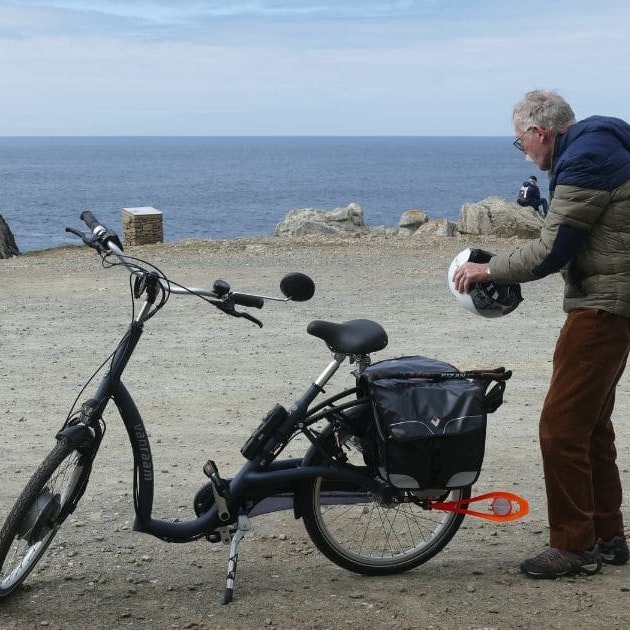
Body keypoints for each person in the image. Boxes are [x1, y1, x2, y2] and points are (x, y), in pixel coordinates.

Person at [453, 89, 630, 579]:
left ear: (539, 132)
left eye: (520, 142)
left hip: (602, 307)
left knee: (561, 427)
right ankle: (608, 535)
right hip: (616, 303)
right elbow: (580, 229)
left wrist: (487, 271)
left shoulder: (588, 158)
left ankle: (574, 545)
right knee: (592, 425)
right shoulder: (602, 150)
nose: (523, 151)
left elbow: (550, 253)